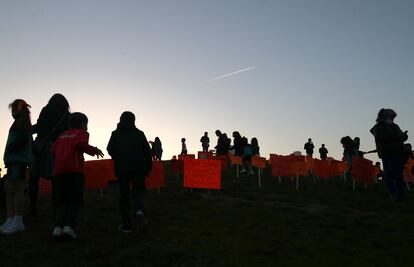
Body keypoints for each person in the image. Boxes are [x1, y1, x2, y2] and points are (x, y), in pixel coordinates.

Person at [51, 112, 103, 240]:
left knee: (61, 201)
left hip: (58, 173)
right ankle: (69, 227)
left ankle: (58, 228)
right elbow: (81, 144)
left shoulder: (61, 135)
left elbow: (52, 151)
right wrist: (94, 150)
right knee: (75, 200)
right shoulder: (81, 133)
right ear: (83, 124)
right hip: (75, 172)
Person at [107, 111, 152, 233]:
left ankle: (126, 225)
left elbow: (109, 149)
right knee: (139, 191)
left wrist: (118, 157)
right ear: (134, 120)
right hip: (139, 168)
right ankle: (139, 211)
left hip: (122, 169)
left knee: (124, 195)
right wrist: (148, 167)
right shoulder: (139, 133)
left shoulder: (115, 134)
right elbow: (148, 152)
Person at [29, 93, 70, 216]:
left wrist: (29, 130)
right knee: (56, 180)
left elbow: (41, 127)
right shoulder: (67, 115)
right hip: (59, 148)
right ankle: (56, 210)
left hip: (44, 148)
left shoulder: (47, 110)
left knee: (34, 178)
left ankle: (32, 208)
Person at [0, 100, 32, 234]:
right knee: (9, 188)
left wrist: (13, 147)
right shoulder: (21, 122)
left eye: (13, 109)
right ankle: (11, 219)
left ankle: (18, 221)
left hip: (18, 160)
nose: (12, 112)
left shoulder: (21, 123)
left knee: (17, 189)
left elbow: (22, 139)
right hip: (14, 160)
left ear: (18, 109)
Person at [370, 108, 408, 200]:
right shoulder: (378, 127)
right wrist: (398, 137)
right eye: (391, 117)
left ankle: (401, 194)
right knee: (389, 173)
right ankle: (393, 193)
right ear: (385, 117)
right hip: (387, 153)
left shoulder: (395, 126)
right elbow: (380, 138)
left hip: (398, 152)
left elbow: (400, 137)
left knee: (399, 174)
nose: (393, 120)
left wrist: (404, 136)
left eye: (393, 118)